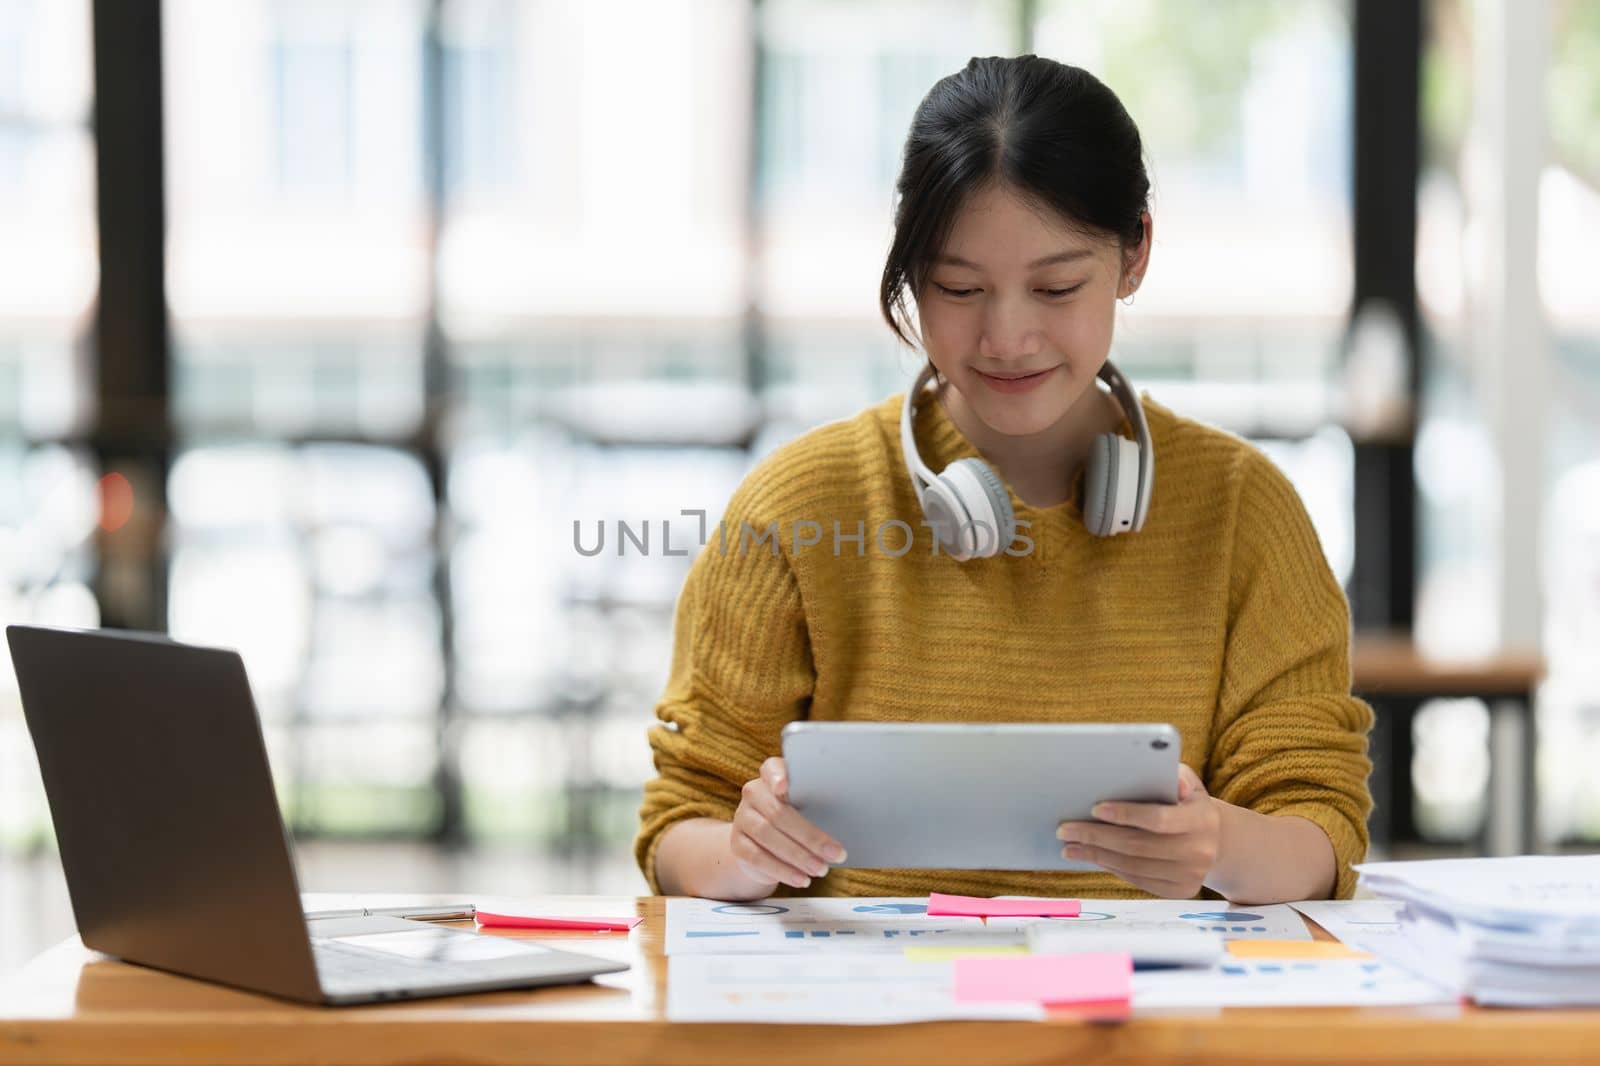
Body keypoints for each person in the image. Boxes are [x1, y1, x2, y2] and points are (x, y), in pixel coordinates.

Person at [634, 55, 1372, 905]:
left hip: (1146, 1024)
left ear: (1135, 255)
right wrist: (743, 855)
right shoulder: (798, 508)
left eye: (1057, 286)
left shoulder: (1244, 511)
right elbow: (681, 824)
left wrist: (1222, 847)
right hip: (873, 1024)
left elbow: (1322, 834)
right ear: (910, 271)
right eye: (960, 287)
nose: (1007, 336)